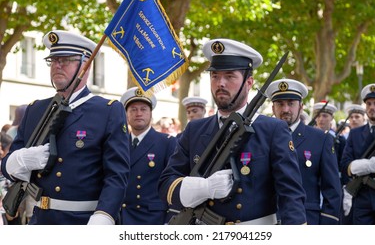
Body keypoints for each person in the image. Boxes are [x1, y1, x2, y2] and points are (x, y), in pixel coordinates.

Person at [158, 38, 307, 225]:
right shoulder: (195, 129)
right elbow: (166, 185)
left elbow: (291, 195)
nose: (220, 83)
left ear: (249, 82)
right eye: (215, 76)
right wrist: (203, 188)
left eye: (229, 76)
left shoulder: (273, 130)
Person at [1, 30, 130, 225]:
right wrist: (20, 160)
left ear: (85, 65)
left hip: (84, 221)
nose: (57, 65)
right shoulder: (36, 109)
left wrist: (104, 216)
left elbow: (117, 175)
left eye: (66, 60)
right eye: (53, 60)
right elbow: (7, 165)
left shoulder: (108, 111)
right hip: (40, 221)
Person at [266, 79, 341, 224]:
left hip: (307, 219)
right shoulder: (261, 137)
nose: (285, 109)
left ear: (301, 107)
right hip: (268, 220)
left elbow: (332, 190)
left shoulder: (320, 139)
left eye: (291, 103)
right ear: (273, 108)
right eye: (280, 104)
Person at [119, 87, 177, 225]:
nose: (138, 113)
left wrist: (171, 220)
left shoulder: (166, 142)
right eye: (133, 109)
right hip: (121, 217)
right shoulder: (118, 143)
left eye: (143, 109)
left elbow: (173, 182)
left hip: (152, 218)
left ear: (151, 114)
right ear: (126, 114)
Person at [341, 83, 375, 224]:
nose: (371, 107)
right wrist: (358, 166)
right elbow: (344, 164)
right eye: (368, 104)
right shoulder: (355, 134)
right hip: (363, 197)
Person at [312, 101, 346, 170]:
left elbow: (342, 164)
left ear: (332, 118)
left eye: (325, 116)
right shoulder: (308, 137)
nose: (321, 119)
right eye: (318, 116)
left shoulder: (340, 140)